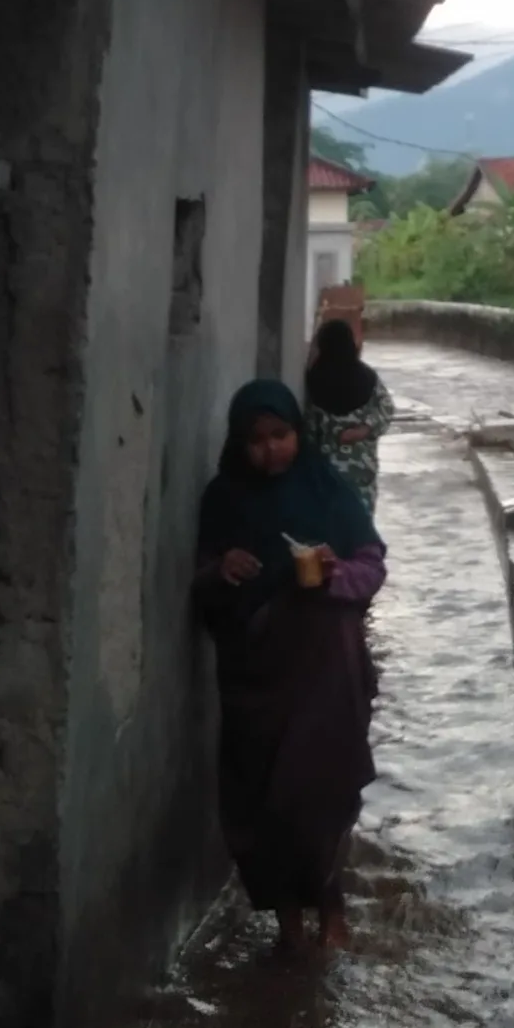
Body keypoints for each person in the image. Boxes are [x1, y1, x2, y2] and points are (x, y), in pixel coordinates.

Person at [194, 379, 386, 961]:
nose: (271, 450)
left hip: (326, 670)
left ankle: (331, 915)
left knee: (319, 793)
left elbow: (372, 564)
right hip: (257, 678)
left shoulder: (328, 489)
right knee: (264, 800)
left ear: (298, 434)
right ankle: (288, 929)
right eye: (256, 440)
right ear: (240, 444)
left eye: (281, 435)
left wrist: (332, 574)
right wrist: (221, 569)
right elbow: (200, 582)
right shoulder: (224, 498)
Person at [302, 317, 396, 511]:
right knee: (361, 531)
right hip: (362, 471)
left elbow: (309, 433)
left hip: (327, 477)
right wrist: (364, 430)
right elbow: (386, 409)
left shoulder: (315, 382)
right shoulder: (367, 378)